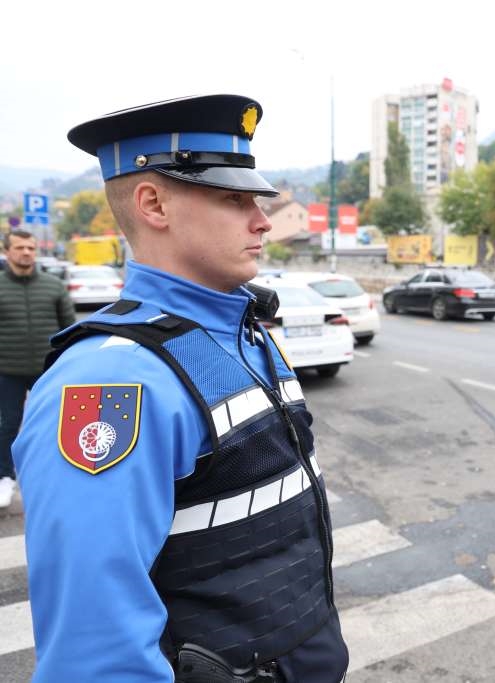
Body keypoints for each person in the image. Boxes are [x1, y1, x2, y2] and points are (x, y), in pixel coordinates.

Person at [13, 95, 349, 682]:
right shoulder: (111, 380)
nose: (263, 219)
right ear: (153, 204)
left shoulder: (244, 332)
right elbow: (95, 654)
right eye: (232, 198)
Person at [0, 229, 75, 509]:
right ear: (7, 251)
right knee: (6, 426)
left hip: (48, 371)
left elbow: (70, 330)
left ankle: (55, 477)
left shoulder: (53, 286)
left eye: (31, 247)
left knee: (56, 425)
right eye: (20, 247)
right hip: (7, 370)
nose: (27, 252)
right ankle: (5, 478)